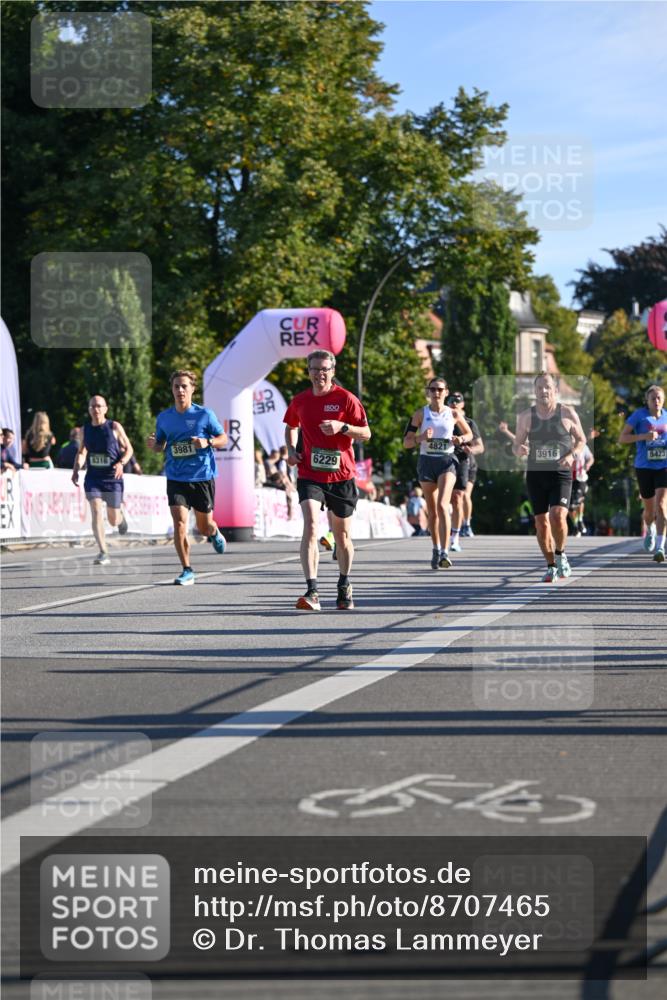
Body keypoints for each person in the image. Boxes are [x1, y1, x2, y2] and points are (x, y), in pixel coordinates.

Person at [284, 349, 370, 610]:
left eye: (324, 369)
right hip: (310, 473)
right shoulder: (300, 400)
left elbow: (366, 433)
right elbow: (291, 426)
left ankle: (344, 582)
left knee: (342, 536)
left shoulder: (346, 399)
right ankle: (312, 591)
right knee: (310, 526)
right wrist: (291, 449)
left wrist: (342, 427)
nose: (319, 374)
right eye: (314, 369)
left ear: (332, 371)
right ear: (308, 372)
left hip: (341, 475)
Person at [146, 370, 228, 585]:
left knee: (203, 528)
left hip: (201, 476)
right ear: (171, 390)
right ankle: (187, 569)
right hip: (175, 477)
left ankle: (214, 531)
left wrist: (207, 442)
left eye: (184, 386)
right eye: (176, 386)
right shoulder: (164, 418)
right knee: (180, 523)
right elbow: (161, 445)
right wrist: (154, 445)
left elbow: (223, 438)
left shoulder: (204, 415)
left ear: (192, 389)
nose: (180, 390)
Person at [512, 372, 587, 582]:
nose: (543, 391)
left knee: (557, 516)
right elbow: (516, 445)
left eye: (547, 387)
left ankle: (561, 553)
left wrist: (572, 454)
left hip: (560, 474)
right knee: (541, 523)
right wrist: (520, 450)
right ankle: (551, 566)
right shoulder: (526, 416)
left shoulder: (568, 413)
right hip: (536, 475)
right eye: (539, 388)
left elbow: (581, 440)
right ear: (535, 391)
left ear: (555, 391)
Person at [403, 376, 472, 569]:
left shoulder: (453, 414)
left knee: (443, 505)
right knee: (432, 512)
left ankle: (445, 552)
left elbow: (469, 434)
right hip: (426, 462)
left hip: (446, 462)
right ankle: (435, 547)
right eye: (433, 389)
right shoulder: (420, 414)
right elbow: (406, 442)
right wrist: (421, 438)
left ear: (446, 392)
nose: (436, 393)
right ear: (428, 392)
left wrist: (460, 439)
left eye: (440, 389)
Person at [72, 397, 133, 565]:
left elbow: (129, 449)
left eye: (99, 406)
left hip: (113, 478)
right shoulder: (85, 429)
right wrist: (76, 469)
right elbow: (82, 451)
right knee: (96, 511)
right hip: (93, 478)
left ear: (105, 409)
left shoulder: (114, 426)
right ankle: (103, 551)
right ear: (89, 409)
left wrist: (121, 463)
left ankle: (121, 519)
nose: (96, 409)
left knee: (113, 519)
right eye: (92, 406)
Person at [618, 384, 667, 563]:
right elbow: (622, 438)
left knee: (662, 506)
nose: (656, 401)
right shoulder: (639, 416)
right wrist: (643, 437)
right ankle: (650, 527)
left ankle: (661, 547)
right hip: (644, 467)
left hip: (664, 466)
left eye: (659, 398)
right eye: (653, 398)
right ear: (647, 401)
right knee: (649, 510)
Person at [447, 392, 484, 551]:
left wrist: (470, 449)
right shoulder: (441, 419)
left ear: (463, 404)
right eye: (451, 401)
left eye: (457, 401)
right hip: (444, 459)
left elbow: (480, 447)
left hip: (465, 461)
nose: (454, 403)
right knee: (444, 500)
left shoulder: (469, 423)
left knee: (460, 496)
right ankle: (442, 532)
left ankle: (461, 529)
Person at [568, 443, 594, 536]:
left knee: (578, 500)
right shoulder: (563, 444)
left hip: (580, 477)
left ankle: (580, 520)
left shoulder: (583, 446)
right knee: (570, 506)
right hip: (567, 478)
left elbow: (591, 458)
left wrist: (588, 464)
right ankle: (575, 525)